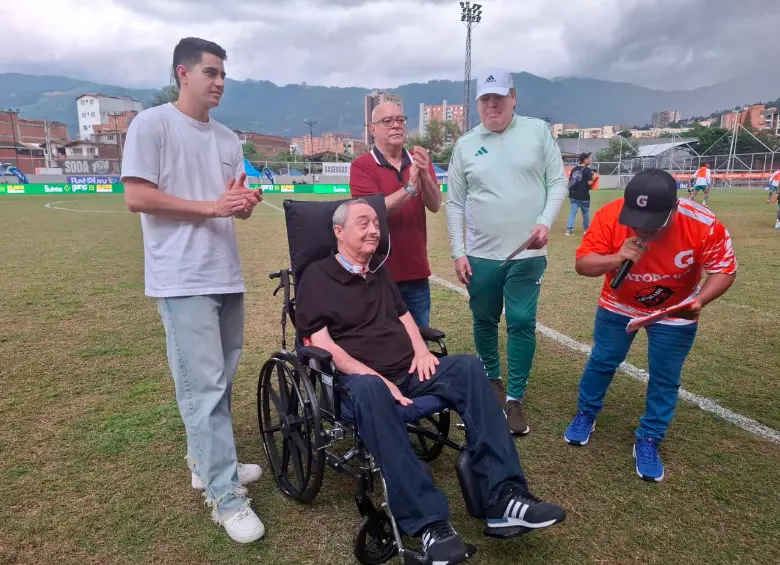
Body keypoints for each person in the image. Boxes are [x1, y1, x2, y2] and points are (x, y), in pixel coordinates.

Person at [295, 199, 566, 565]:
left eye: (376, 222)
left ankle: (504, 498)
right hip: (355, 384)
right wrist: (375, 377)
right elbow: (321, 344)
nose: (374, 229)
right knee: (371, 389)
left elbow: (404, 315)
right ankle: (429, 526)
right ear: (338, 231)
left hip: (408, 370)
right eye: (364, 223)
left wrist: (422, 350)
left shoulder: (377, 269)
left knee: (469, 367)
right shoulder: (316, 276)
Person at [121, 37, 266, 543]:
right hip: (181, 276)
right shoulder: (152, 124)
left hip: (224, 270)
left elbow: (231, 203)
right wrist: (212, 208)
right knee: (201, 387)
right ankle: (225, 497)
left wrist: (243, 202)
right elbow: (137, 196)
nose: (219, 81)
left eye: (223, 74)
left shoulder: (227, 138)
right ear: (183, 73)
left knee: (220, 379)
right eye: (210, 72)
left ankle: (203, 462)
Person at [563, 169, 737, 482]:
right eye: (636, 221)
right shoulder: (609, 215)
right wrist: (616, 258)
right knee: (603, 360)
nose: (642, 229)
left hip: (675, 310)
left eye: (651, 223)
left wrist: (699, 302)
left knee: (665, 376)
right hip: (618, 305)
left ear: (673, 210)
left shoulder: (702, 223)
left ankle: (650, 436)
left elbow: (724, 269)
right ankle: (586, 413)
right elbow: (583, 264)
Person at [446, 68, 568, 435]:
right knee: (484, 319)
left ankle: (515, 398)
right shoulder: (466, 144)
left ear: (513, 97)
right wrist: (458, 251)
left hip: (527, 253)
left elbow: (557, 181)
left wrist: (545, 221)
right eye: (485, 99)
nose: (492, 105)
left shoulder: (537, 132)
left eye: (498, 97)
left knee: (519, 321)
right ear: (477, 104)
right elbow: (454, 203)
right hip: (481, 255)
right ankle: (492, 378)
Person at [349, 102, 441, 328]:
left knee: (420, 341)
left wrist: (425, 176)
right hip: (378, 272)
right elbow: (374, 211)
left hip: (417, 271)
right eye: (387, 121)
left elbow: (435, 204)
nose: (396, 126)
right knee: (384, 343)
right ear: (372, 129)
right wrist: (410, 187)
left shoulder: (418, 161)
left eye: (400, 120)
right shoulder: (362, 166)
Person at [565, 152, 599, 236]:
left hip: (573, 195)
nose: (590, 160)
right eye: (589, 158)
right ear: (585, 160)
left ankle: (569, 230)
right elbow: (589, 183)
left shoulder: (574, 169)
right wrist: (594, 179)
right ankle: (587, 229)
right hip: (584, 196)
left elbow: (571, 181)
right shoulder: (588, 170)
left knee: (572, 212)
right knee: (585, 212)